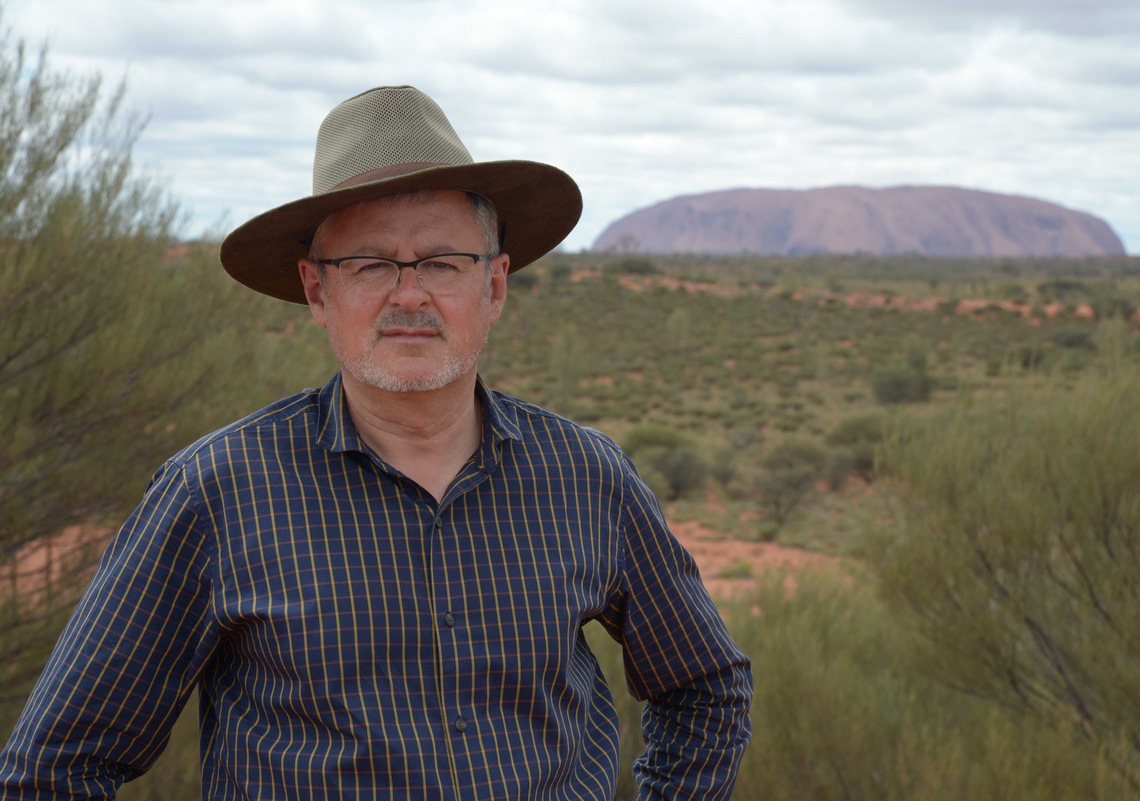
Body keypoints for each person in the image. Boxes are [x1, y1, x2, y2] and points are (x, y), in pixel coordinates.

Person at [0, 85, 752, 800]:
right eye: (369, 265)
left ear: (493, 287)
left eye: (442, 262)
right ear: (318, 291)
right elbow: (57, 765)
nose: (410, 295)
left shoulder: (585, 474)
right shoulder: (217, 489)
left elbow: (705, 685)